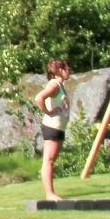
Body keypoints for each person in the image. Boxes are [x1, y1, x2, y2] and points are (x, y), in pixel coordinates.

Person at [34, 59, 72, 201]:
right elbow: (39, 98)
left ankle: (50, 192)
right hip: (52, 126)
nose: (69, 69)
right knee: (48, 160)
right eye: (66, 67)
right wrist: (48, 112)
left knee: (51, 160)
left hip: (58, 127)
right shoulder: (54, 85)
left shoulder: (60, 86)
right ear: (59, 71)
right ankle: (49, 194)